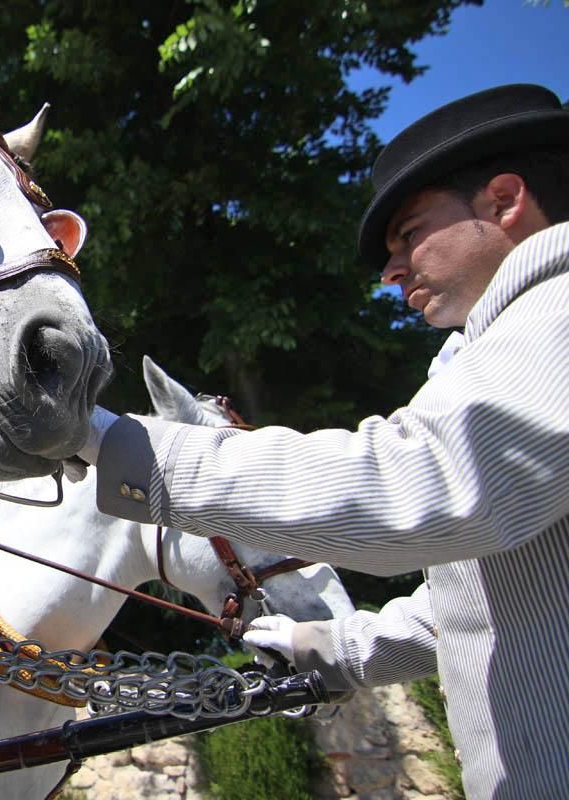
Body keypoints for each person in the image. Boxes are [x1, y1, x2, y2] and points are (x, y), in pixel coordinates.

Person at [77, 84, 569, 799]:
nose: (390, 269)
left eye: (408, 233)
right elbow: (473, 612)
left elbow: (418, 484)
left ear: (502, 199)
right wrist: (337, 649)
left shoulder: (558, 312)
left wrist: (123, 444)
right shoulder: (500, 357)